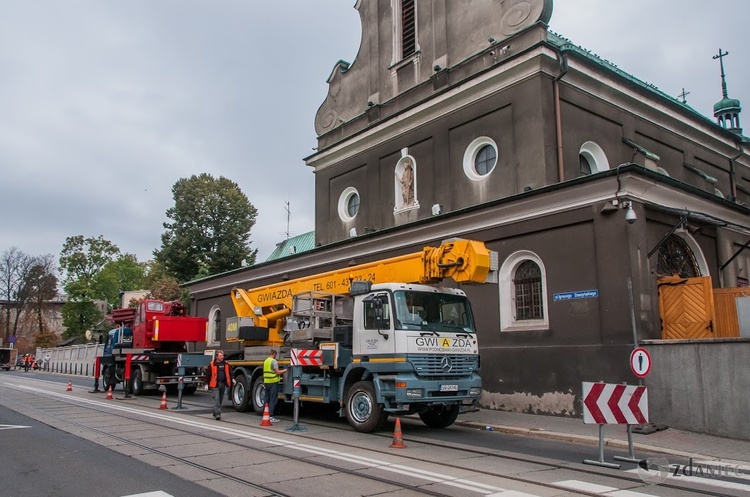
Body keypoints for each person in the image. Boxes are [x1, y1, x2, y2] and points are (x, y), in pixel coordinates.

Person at [263, 350, 288, 423]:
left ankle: (265, 414)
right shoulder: (273, 361)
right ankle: (270, 416)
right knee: (273, 399)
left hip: (266, 382)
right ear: (274, 354)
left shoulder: (266, 361)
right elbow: (277, 372)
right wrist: (285, 370)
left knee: (266, 399)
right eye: (275, 355)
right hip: (273, 382)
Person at [208, 350, 232, 420]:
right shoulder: (212, 365)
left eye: (223, 356)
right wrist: (206, 384)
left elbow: (230, 373)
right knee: (217, 399)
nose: (222, 357)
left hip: (223, 384)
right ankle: (218, 414)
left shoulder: (226, 364)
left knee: (220, 399)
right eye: (220, 356)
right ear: (217, 357)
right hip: (215, 385)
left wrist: (232, 379)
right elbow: (208, 375)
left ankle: (215, 411)